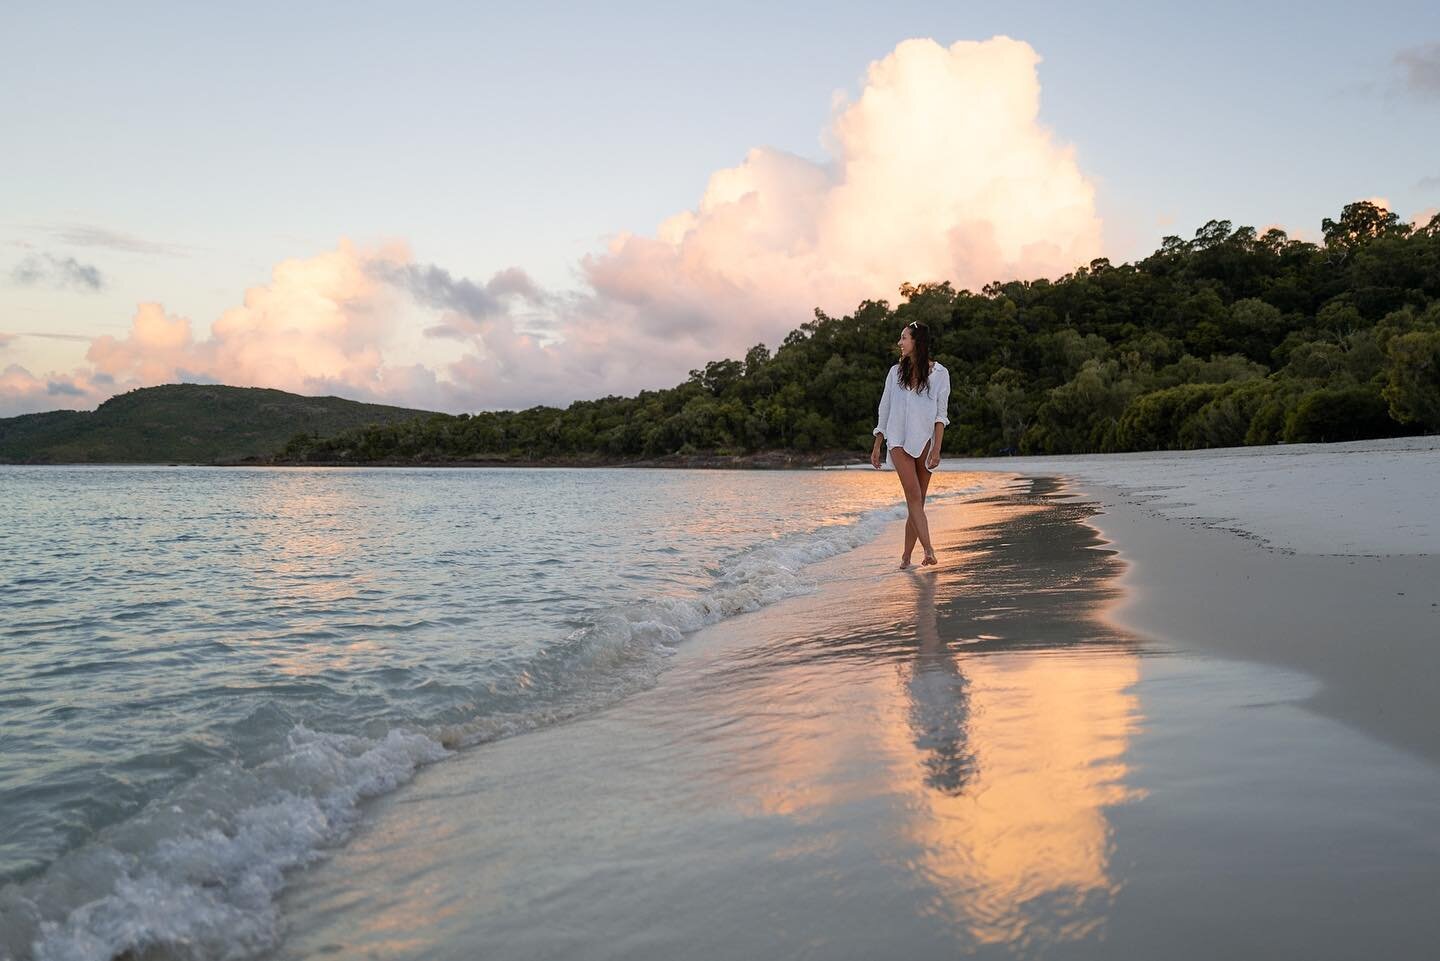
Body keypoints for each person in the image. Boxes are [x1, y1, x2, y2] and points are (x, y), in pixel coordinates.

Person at [870, 320, 950, 568]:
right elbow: (884, 408)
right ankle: (928, 551)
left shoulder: (940, 374)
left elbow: (940, 415)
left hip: (925, 441)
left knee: (918, 504)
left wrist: (936, 448)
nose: (900, 343)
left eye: (904, 338)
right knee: (913, 497)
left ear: (917, 342)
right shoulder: (895, 373)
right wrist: (878, 442)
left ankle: (906, 556)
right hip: (897, 440)